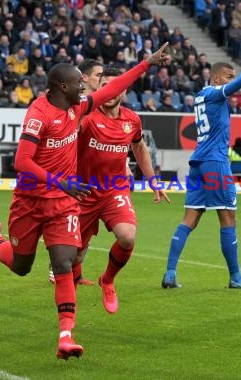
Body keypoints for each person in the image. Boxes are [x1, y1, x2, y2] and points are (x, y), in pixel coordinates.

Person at [0, 44, 170, 361]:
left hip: (64, 200)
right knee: (21, 267)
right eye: (81, 83)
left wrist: (146, 64)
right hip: (31, 198)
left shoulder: (78, 108)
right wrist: (59, 180)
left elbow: (115, 88)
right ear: (62, 87)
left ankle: (66, 336)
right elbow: (22, 162)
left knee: (64, 264)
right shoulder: (38, 116)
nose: (88, 87)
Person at [161, 44, 241, 290]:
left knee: (190, 218)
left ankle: (170, 273)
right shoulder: (214, 93)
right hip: (215, 161)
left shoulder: (201, 96)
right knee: (228, 217)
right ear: (215, 78)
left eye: (230, 78)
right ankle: (236, 277)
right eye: (227, 77)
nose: (231, 81)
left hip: (198, 162)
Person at [75, 67, 171, 314]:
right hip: (83, 192)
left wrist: (153, 180)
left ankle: (107, 280)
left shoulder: (132, 119)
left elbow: (139, 149)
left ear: (123, 89)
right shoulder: (86, 117)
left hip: (113, 191)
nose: (109, 90)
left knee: (127, 236)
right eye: (104, 85)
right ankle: (73, 280)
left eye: (114, 85)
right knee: (73, 255)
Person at [47, 58, 104, 287]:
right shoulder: (74, 105)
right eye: (98, 75)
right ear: (86, 77)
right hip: (72, 176)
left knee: (87, 230)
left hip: (95, 175)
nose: (101, 79)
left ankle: (75, 273)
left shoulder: (96, 104)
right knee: (72, 225)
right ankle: (58, 268)